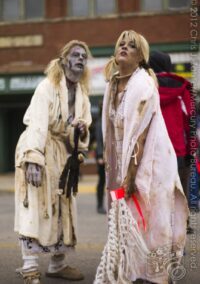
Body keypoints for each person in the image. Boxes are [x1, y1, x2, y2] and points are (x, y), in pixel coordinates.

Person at [94, 30, 188, 284]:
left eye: (132, 46)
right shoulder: (112, 84)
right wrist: (116, 175)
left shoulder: (143, 84)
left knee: (154, 217)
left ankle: (159, 276)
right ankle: (135, 272)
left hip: (151, 161)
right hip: (123, 164)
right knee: (129, 216)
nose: (124, 47)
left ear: (141, 57)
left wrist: (130, 175)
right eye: (121, 44)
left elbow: (141, 135)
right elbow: (110, 132)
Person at [14, 40, 92, 284]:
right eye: (75, 55)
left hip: (62, 155)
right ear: (63, 60)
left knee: (64, 208)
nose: (80, 59)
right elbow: (37, 123)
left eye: (84, 56)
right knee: (34, 207)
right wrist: (33, 160)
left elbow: (82, 130)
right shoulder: (47, 87)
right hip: (36, 147)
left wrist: (80, 129)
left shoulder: (82, 94)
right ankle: (29, 268)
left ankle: (58, 265)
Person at [149, 51, 196, 233]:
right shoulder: (183, 88)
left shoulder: (146, 87)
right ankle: (181, 227)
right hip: (179, 150)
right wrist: (192, 151)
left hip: (153, 150)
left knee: (156, 193)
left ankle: (159, 230)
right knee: (179, 193)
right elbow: (190, 122)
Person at [95, 101, 106, 214]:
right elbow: (99, 141)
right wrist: (99, 156)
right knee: (102, 181)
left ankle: (114, 204)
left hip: (110, 157)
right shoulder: (100, 122)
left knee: (113, 183)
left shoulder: (108, 121)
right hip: (102, 157)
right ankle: (99, 205)